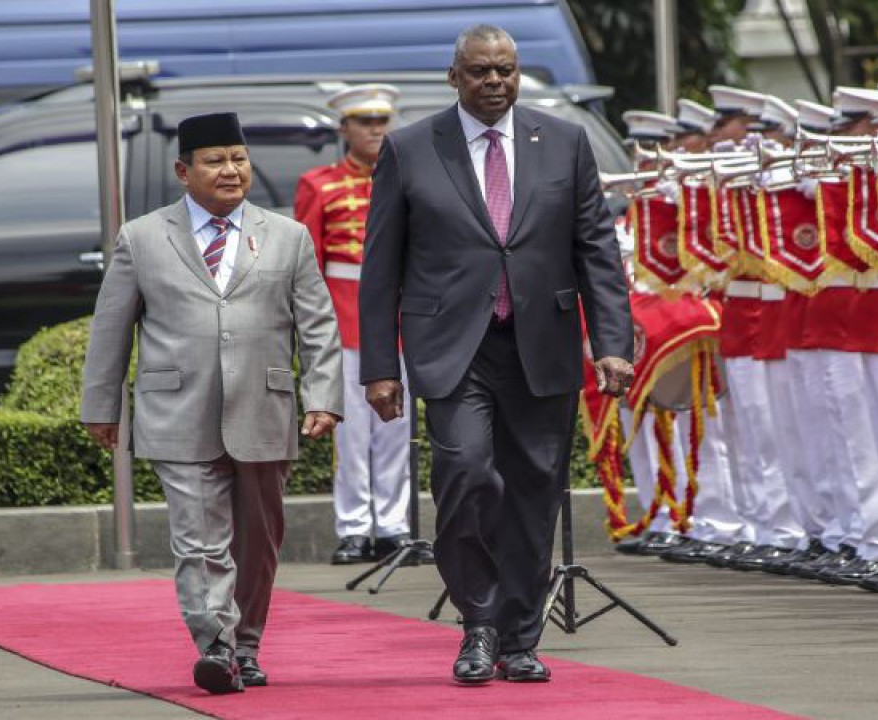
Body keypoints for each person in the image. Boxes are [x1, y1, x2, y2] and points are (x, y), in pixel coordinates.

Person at [358, 25, 634, 684]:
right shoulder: (410, 148)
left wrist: (613, 345)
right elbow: (380, 267)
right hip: (454, 351)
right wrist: (378, 366)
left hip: (542, 346)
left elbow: (596, 248)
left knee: (535, 495)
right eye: (480, 71)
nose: (494, 82)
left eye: (505, 70)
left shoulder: (563, 142)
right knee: (466, 478)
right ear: (454, 76)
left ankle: (518, 638)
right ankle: (477, 622)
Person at [80, 112, 344, 693]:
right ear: (183, 171)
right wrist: (102, 405)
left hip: (264, 407)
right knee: (198, 539)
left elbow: (318, 325)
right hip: (178, 411)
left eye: (238, 159)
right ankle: (216, 644)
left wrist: (322, 395)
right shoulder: (143, 237)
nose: (230, 170)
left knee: (257, 539)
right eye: (215, 161)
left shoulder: (288, 236)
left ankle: (246, 644)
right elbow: (111, 329)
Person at [295, 84, 432, 566]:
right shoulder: (319, 184)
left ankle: (392, 526)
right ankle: (354, 527)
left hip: (403, 319)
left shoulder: (414, 177)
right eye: (364, 121)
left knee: (397, 430)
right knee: (351, 432)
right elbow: (308, 262)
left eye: (381, 121)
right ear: (344, 128)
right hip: (347, 316)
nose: (375, 130)